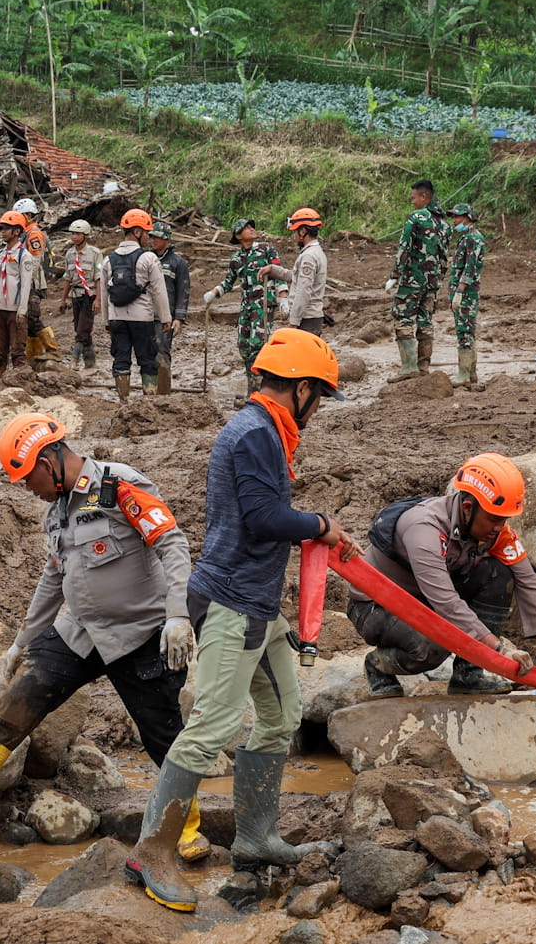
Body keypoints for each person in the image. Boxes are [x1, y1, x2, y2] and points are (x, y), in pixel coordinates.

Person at [127, 328, 356, 913]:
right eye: (320, 396)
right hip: (231, 603)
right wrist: (320, 523)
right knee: (212, 728)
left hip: (256, 604)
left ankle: (255, 836)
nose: (319, 409)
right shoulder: (255, 434)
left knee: (282, 717)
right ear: (301, 388)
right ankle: (152, 852)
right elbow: (262, 517)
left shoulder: (267, 432)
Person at [0, 412, 208, 860]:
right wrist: (21, 640)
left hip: (141, 633)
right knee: (13, 707)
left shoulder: (119, 486)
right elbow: (52, 580)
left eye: (29, 477)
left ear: (49, 461)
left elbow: (172, 544)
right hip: (81, 632)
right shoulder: (56, 514)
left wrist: (177, 616)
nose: (28, 488)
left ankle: (185, 830)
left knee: (161, 733)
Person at [352, 454, 536, 699]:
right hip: (377, 607)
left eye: (505, 519)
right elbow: (446, 603)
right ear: (468, 508)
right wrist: (499, 650)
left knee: (498, 574)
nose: (500, 527)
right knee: (435, 643)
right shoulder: (424, 529)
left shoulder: (494, 531)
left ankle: (469, 674)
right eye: (494, 519)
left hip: (425, 599)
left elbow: (529, 584)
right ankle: (378, 665)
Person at [101, 208, 172, 403]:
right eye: (147, 233)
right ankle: (148, 402)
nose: (149, 238)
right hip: (142, 319)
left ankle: (123, 402)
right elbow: (159, 291)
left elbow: (104, 293)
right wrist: (166, 318)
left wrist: (105, 320)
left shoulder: (108, 259)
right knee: (147, 360)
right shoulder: (149, 258)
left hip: (116, 318)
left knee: (121, 359)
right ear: (138, 232)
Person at [203, 219, 282, 392]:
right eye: (246, 228)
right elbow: (228, 283)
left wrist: (283, 296)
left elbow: (278, 272)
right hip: (247, 306)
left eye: (251, 226)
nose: (252, 229)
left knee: (257, 344)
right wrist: (213, 293)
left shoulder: (266, 249)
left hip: (263, 303)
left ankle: (261, 391)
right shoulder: (236, 259)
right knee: (244, 346)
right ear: (238, 236)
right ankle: (252, 388)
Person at [385, 182, 446, 378]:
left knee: (402, 317)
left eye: (414, 198)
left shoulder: (416, 218)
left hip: (413, 278)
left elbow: (405, 247)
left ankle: (409, 367)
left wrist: (395, 274)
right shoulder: (444, 224)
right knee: (425, 320)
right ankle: (423, 367)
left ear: (424, 197)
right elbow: (444, 257)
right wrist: (438, 280)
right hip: (433, 281)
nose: (412, 201)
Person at [0, 212, 36, 377]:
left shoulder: (24, 256)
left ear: (17, 232)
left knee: (17, 349)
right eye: (2, 228)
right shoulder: (0, 255)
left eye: (7, 229)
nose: (3, 232)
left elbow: (26, 284)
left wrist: (22, 310)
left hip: (14, 309)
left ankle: (19, 384)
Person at [263, 207, 327, 338]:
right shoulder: (316, 252)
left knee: (303, 358)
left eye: (295, 232)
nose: (294, 236)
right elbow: (297, 277)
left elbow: (303, 290)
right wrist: (273, 270)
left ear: (303, 231)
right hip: (310, 318)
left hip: (306, 320)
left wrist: (294, 322)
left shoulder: (309, 256)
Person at [13, 197, 57, 367]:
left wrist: (25, 281)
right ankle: (35, 358)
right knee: (29, 322)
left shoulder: (34, 234)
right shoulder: (25, 234)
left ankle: (53, 352)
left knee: (32, 317)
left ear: (28, 215)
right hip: (26, 283)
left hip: (33, 283)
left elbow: (35, 260)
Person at [444, 205, 486, 385]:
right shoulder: (467, 238)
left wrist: (459, 292)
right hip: (462, 292)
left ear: (467, 217)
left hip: (466, 293)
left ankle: (464, 374)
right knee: (466, 330)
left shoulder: (473, 239)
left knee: (464, 331)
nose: (454, 220)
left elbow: (470, 268)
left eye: (457, 217)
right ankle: (471, 373)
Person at [59, 220, 105, 369]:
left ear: (85, 235)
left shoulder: (95, 254)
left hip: (89, 295)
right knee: (81, 329)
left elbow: (99, 277)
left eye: (78, 234)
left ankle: (75, 360)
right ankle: (90, 363)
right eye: (72, 234)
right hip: (76, 295)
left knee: (82, 330)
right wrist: (63, 299)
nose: (74, 237)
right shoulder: (70, 254)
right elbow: (68, 278)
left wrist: (98, 299)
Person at [150, 222, 190, 385]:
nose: (154, 240)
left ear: (166, 239)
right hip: (145, 314)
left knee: (162, 351)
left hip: (165, 316)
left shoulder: (177, 263)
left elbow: (183, 291)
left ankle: (163, 392)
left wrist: (179, 317)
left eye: (158, 237)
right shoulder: (147, 258)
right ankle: (150, 390)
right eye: (152, 237)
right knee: (146, 353)